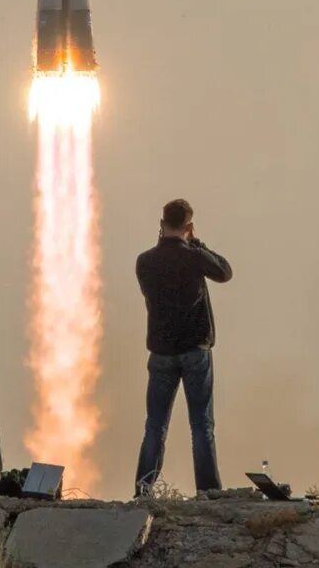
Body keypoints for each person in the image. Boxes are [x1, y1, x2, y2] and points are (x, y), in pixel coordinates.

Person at [133, 199, 233, 496]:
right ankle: (208, 491)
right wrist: (197, 243)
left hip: (161, 352)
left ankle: (143, 489)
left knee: (155, 425)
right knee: (201, 425)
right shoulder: (194, 257)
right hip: (195, 350)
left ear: (161, 224)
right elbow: (224, 271)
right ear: (188, 226)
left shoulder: (145, 261)